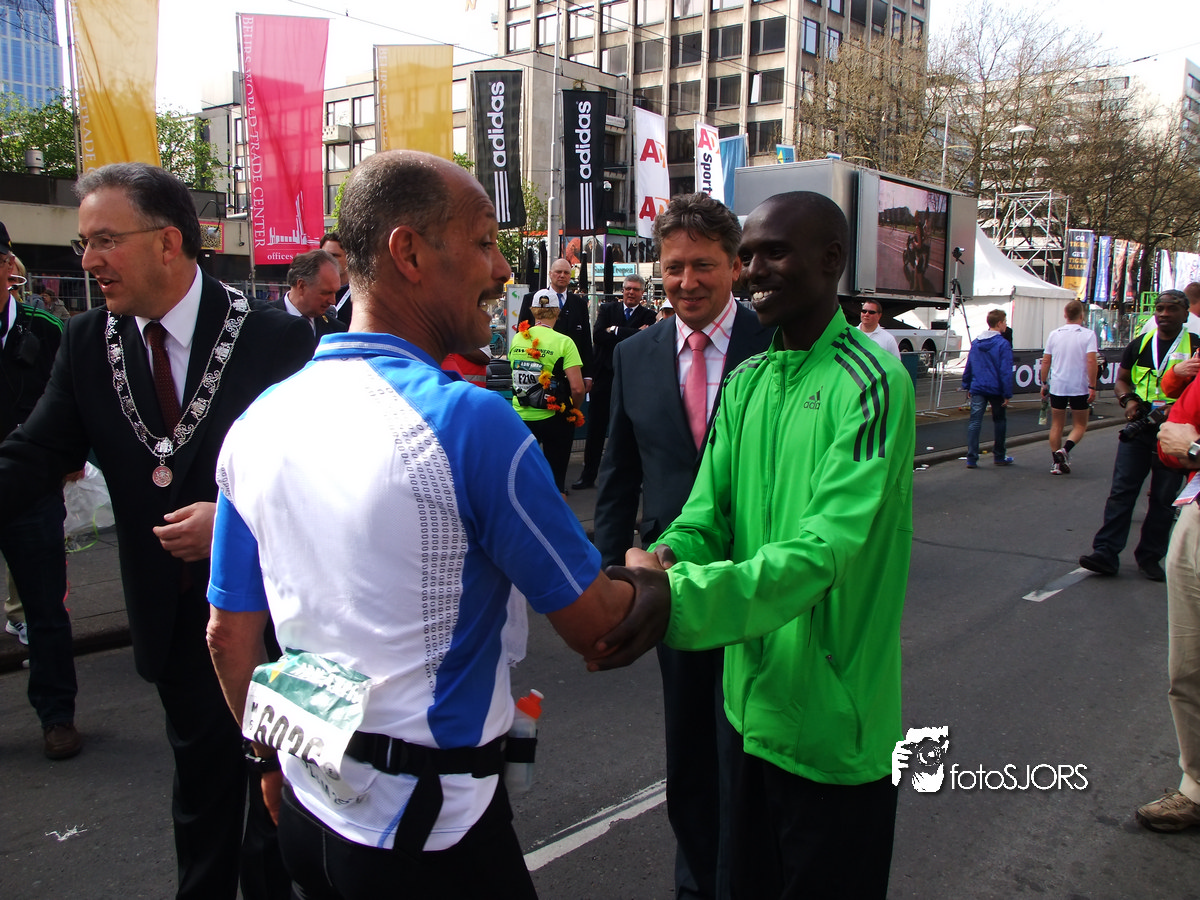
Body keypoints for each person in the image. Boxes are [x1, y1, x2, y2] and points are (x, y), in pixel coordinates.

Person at [205, 149, 633, 899]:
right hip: (433, 833)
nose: (503, 269)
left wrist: (264, 761)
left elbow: (228, 636)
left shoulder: (258, 420)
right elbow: (596, 625)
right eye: (483, 242)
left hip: (308, 806)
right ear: (407, 253)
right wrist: (657, 579)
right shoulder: (472, 422)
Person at [0, 162, 314, 899]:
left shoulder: (275, 339)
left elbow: (329, 474)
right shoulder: (87, 342)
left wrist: (235, 523)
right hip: (177, 624)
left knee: (281, 803)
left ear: (169, 242)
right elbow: (34, 454)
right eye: (83, 243)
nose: (88, 261)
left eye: (105, 240)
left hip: (278, 620)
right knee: (202, 793)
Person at [596, 190, 915, 899]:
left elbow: (823, 551)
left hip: (830, 728)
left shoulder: (874, 381)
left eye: (774, 253)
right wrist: (660, 561)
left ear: (831, 260)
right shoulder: (748, 381)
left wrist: (673, 599)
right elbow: (705, 517)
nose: (755, 270)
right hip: (749, 711)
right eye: (749, 255)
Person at [593, 192, 773, 900]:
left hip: (761, 582)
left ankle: (748, 879)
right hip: (674, 587)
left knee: (753, 750)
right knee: (692, 751)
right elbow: (618, 475)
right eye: (673, 268)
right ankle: (697, 883)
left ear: (734, 266)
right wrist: (606, 582)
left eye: (703, 265)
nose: (687, 282)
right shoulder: (635, 354)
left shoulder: (775, 342)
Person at [0, 221, 79, 759]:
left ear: (7, 266)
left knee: (45, 611)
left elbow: (71, 403)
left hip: (30, 496)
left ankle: (57, 715)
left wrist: (67, 461)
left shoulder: (46, 329)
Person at [1079, 290, 1195, 582]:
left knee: (1163, 499)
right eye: (1160, 308)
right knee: (1122, 491)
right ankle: (1105, 553)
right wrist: (1127, 400)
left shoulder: (1195, 346)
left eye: (1171, 309)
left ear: (1186, 314)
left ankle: (1150, 557)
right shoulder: (1140, 343)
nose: (1164, 314)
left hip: (1175, 433)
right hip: (1141, 427)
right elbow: (1122, 380)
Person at [1137, 396, 1200, 831]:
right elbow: (1171, 436)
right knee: (1187, 670)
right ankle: (1195, 787)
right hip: (1195, 510)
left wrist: (1195, 449)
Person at [573, 273, 656, 490]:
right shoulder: (607, 309)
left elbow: (645, 341)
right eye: (628, 288)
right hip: (604, 378)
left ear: (642, 293)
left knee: (632, 430)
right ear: (623, 290)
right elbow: (598, 336)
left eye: (635, 289)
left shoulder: (649, 315)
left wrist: (616, 330)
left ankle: (632, 478)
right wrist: (632, 334)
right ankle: (588, 476)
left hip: (633, 381)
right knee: (596, 429)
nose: (631, 292)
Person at [510, 289, 585, 495]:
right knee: (556, 482)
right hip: (555, 417)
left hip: (520, 417)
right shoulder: (564, 342)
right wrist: (574, 409)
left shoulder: (518, 339)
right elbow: (578, 388)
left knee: (522, 482)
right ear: (557, 311)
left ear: (533, 310)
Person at [1039, 299, 1098, 475]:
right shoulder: (1088, 335)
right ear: (1082, 315)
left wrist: (1044, 383)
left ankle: (1056, 464)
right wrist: (1093, 385)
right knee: (1080, 425)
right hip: (1079, 386)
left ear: (1065, 315)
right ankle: (1064, 450)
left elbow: (1046, 361)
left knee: (1057, 425)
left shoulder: (1054, 334)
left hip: (1058, 384)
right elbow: (1091, 361)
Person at [518, 257, 593, 394]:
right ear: (550, 274)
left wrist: (588, 374)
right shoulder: (531, 299)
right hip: (539, 373)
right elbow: (523, 332)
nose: (562, 275)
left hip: (571, 374)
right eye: (558, 272)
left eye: (566, 272)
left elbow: (586, 341)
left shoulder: (580, 304)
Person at [961, 309, 1014, 468]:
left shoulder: (976, 343)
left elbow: (970, 365)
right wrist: (1007, 393)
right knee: (999, 421)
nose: (1006, 325)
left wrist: (967, 385)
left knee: (975, 422)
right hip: (996, 388)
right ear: (999, 323)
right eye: (1005, 322)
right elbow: (1005, 370)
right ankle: (999, 455)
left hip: (978, 386)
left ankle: (971, 457)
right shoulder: (1003, 344)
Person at [269, 249, 348, 342]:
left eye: (335, 292)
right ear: (302, 286)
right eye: (326, 293)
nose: (332, 301)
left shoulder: (336, 330)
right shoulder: (263, 320)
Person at [320, 231, 353, 324]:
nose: (328, 260)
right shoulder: (312, 291)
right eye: (324, 255)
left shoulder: (362, 294)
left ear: (349, 258)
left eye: (334, 255)